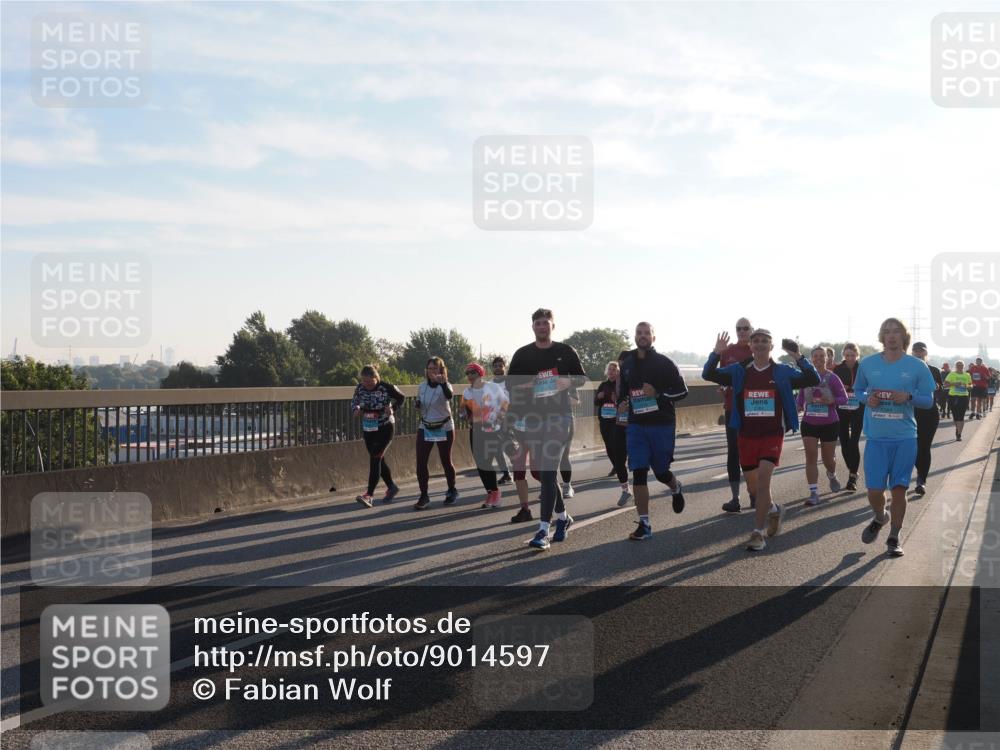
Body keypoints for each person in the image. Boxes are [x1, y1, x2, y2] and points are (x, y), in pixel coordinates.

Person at [704, 329, 819, 552]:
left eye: (764, 341)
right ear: (750, 346)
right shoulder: (739, 371)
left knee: (764, 480)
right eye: (755, 341)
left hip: (772, 434)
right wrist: (716, 353)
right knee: (755, 489)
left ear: (771, 346)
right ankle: (774, 509)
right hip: (746, 435)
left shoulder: (782, 371)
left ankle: (757, 533)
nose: (759, 344)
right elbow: (708, 375)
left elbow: (812, 378)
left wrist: (798, 356)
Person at [507, 309, 587, 550]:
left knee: (549, 471)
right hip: (533, 419)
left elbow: (582, 378)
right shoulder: (522, 354)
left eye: (546, 323)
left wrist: (568, 381)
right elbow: (509, 384)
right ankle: (563, 518)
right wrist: (529, 384)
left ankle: (543, 530)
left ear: (553, 326)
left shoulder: (565, 351)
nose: (542, 326)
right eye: (538, 323)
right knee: (545, 474)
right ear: (533, 327)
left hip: (559, 418)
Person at [855, 318, 936, 557]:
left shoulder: (917, 366)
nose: (891, 336)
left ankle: (894, 536)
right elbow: (858, 390)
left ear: (904, 337)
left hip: (905, 438)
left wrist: (909, 397)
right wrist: (866, 399)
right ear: (882, 336)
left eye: (896, 332)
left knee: (899, 489)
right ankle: (881, 517)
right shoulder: (868, 364)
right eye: (887, 332)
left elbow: (928, 400)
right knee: (874, 492)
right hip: (876, 439)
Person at [618, 322, 689, 540]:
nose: (642, 336)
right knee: (638, 471)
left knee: (660, 472)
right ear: (635, 336)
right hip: (637, 425)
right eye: (639, 333)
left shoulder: (665, 363)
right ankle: (645, 524)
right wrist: (622, 403)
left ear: (653, 337)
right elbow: (624, 392)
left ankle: (676, 487)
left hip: (661, 424)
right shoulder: (627, 364)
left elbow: (682, 392)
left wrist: (658, 393)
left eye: (646, 333)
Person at [796, 346, 848, 505]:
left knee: (828, 459)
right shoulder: (806, 377)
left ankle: (831, 474)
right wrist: (795, 407)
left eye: (821, 356)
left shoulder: (832, 378)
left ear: (827, 358)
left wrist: (833, 400)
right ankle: (814, 493)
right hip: (809, 423)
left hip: (829, 423)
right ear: (811, 359)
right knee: (810, 456)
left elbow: (844, 398)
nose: (818, 359)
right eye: (815, 356)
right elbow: (800, 400)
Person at [349, 364, 405, 507]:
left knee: (375, 458)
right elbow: (354, 401)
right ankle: (392, 487)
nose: (366, 384)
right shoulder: (360, 388)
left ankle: (369, 495)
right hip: (369, 427)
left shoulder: (386, 387)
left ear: (376, 378)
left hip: (385, 427)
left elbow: (401, 398)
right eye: (363, 381)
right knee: (377, 459)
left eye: (369, 381)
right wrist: (356, 409)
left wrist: (392, 408)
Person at [413, 357, 459, 510]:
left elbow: (449, 396)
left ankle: (452, 489)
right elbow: (419, 401)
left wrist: (443, 382)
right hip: (425, 426)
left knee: (446, 460)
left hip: (443, 426)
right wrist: (417, 404)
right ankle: (424, 495)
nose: (432, 371)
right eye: (430, 368)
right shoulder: (422, 386)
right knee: (420, 461)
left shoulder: (446, 385)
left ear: (441, 370)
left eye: (435, 368)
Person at [462, 362, 509, 509]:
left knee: (487, 463)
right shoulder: (467, 392)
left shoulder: (493, 388)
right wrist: (466, 415)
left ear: (480, 373)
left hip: (493, 430)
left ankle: (495, 493)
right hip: (476, 431)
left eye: (473, 373)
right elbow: (462, 412)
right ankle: (490, 492)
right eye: (468, 373)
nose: (470, 376)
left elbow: (506, 403)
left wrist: (499, 420)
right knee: (480, 464)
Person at [719, 318, 754, 513]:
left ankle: (754, 494)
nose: (741, 331)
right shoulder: (728, 351)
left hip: (754, 407)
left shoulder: (758, 349)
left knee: (752, 450)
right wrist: (723, 388)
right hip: (732, 407)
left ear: (751, 330)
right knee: (734, 451)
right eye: (738, 328)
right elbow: (721, 376)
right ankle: (735, 498)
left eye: (745, 328)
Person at [595, 360, 631, 506]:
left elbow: (629, 400)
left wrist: (620, 400)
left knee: (617, 452)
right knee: (611, 452)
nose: (611, 372)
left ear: (618, 372)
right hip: (605, 422)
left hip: (619, 422)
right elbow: (595, 402)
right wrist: (599, 397)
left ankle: (626, 490)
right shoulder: (603, 385)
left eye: (614, 369)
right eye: (609, 369)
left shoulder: (623, 385)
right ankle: (620, 467)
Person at [910, 342, 942, 497]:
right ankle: (919, 471)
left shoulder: (934, 370)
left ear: (926, 354)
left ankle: (921, 480)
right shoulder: (906, 370)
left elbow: (940, 392)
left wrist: (936, 388)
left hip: (930, 414)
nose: (918, 354)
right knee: (914, 448)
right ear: (912, 354)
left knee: (924, 447)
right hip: (911, 414)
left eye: (921, 352)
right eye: (915, 352)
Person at [833, 343, 864, 492]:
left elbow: (869, 385)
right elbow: (831, 387)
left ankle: (852, 477)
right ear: (843, 356)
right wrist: (840, 389)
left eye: (852, 355)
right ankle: (853, 470)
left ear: (857, 355)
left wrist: (857, 389)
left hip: (859, 409)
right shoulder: (838, 369)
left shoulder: (863, 368)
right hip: (842, 409)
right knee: (844, 442)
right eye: (847, 355)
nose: (850, 358)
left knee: (854, 442)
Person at [491, 356, 513, 484]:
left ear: (505, 367)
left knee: (509, 446)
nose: (498, 368)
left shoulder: (509, 382)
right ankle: (506, 474)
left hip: (510, 418)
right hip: (494, 420)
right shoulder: (490, 384)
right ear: (492, 368)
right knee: (496, 447)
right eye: (495, 366)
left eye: (500, 365)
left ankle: (517, 466)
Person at [945, 360, 972, 441]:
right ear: (956, 366)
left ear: (963, 366)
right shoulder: (951, 374)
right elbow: (945, 385)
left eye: (961, 365)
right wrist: (954, 384)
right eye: (958, 365)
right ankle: (957, 429)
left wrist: (968, 386)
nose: (960, 366)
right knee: (955, 416)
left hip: (964, 397)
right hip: (953, 397)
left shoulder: (967, 375)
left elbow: (970, 384)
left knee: (961, 416)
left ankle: (959, 434)